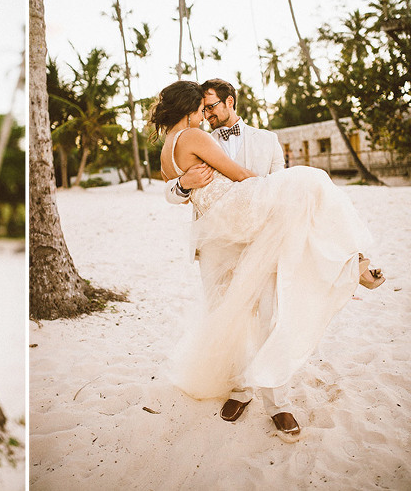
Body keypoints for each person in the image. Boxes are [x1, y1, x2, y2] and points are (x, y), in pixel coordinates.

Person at [151, 80, 385, 441]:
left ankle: (277, 401)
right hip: (224, 232)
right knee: (312, 184)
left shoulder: (188, 144)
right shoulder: (195, 136)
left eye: (211, 106)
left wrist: (269, 190)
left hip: (253, 231)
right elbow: (213, 181)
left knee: (269, 313)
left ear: (229, 102)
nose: (207, 113)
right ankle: (240, 388)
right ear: (189, 108)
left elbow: (186, 178)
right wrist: (259, 190)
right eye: (202, 107)